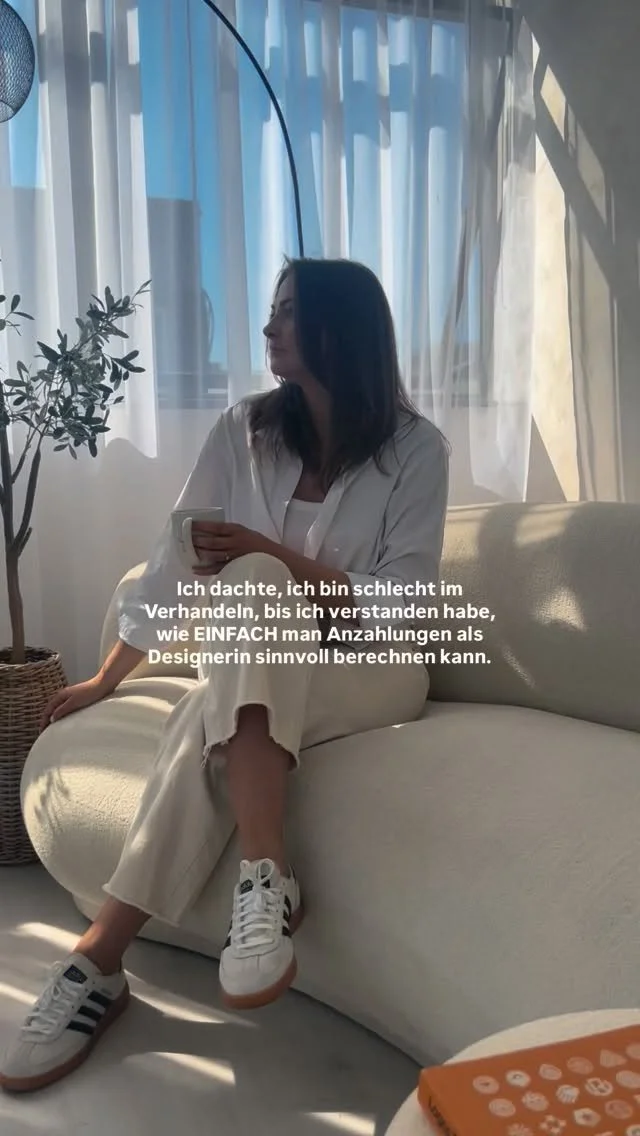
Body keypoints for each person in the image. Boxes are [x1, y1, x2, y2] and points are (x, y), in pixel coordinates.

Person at [0, 257, 449, 1094]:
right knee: (235, 636)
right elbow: (171, 561)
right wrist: (108, 676)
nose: (269, 327)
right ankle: (257, 879)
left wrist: (272, 555)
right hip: (258, 661)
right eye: (273, 310)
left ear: (340, 328)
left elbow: (406, 606)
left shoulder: (416, 451)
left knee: (247, 603)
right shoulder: (243, 429)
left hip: (370, 668)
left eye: (289, 312)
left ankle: (100, 963)